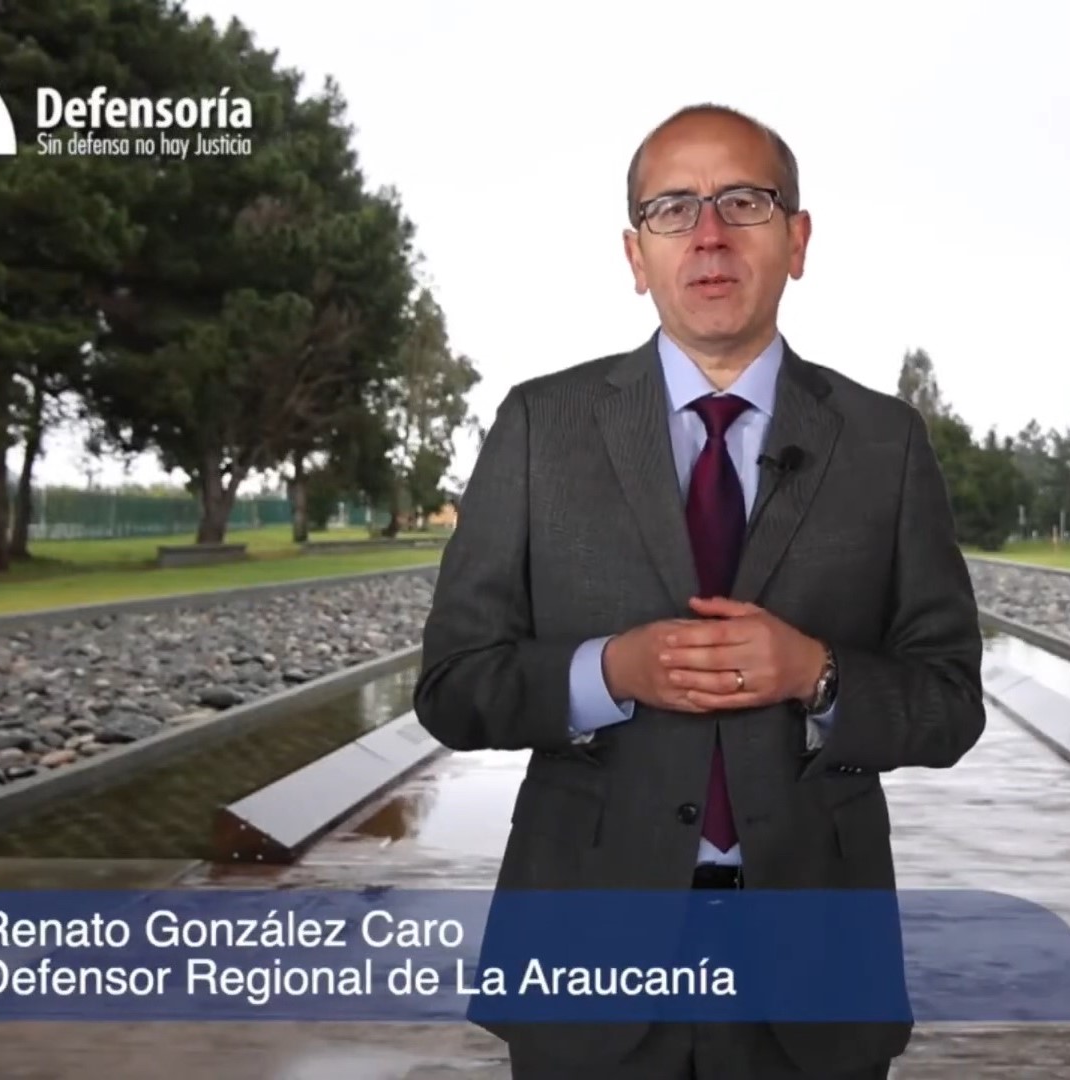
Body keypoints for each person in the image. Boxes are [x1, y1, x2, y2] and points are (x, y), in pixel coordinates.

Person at [413, 102, 986, 1079]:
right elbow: (456, 684)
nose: (709, 233)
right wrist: (610, 672)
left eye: (744, 201)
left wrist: (820, 675)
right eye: (672, 209)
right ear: (636, 254)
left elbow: (949, 705)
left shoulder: (886, 444)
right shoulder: (538, 426)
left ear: (797, 239)